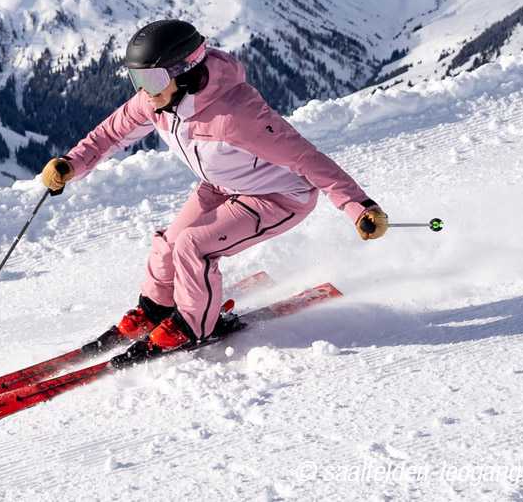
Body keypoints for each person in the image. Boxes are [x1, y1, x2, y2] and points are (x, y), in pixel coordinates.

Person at [39, 19, 388, 364]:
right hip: (222, 186)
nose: (145, 90)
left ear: (186, 71)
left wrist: (359, 206)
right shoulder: (155, 101)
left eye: (153, 79)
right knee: (168, 246)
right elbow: (111, 134)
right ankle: (156, 309)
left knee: (195, 247)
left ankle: (192, 326)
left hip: (278, 197)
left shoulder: (236, 115)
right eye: (138, 79)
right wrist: (71, 164)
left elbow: (306, 160)